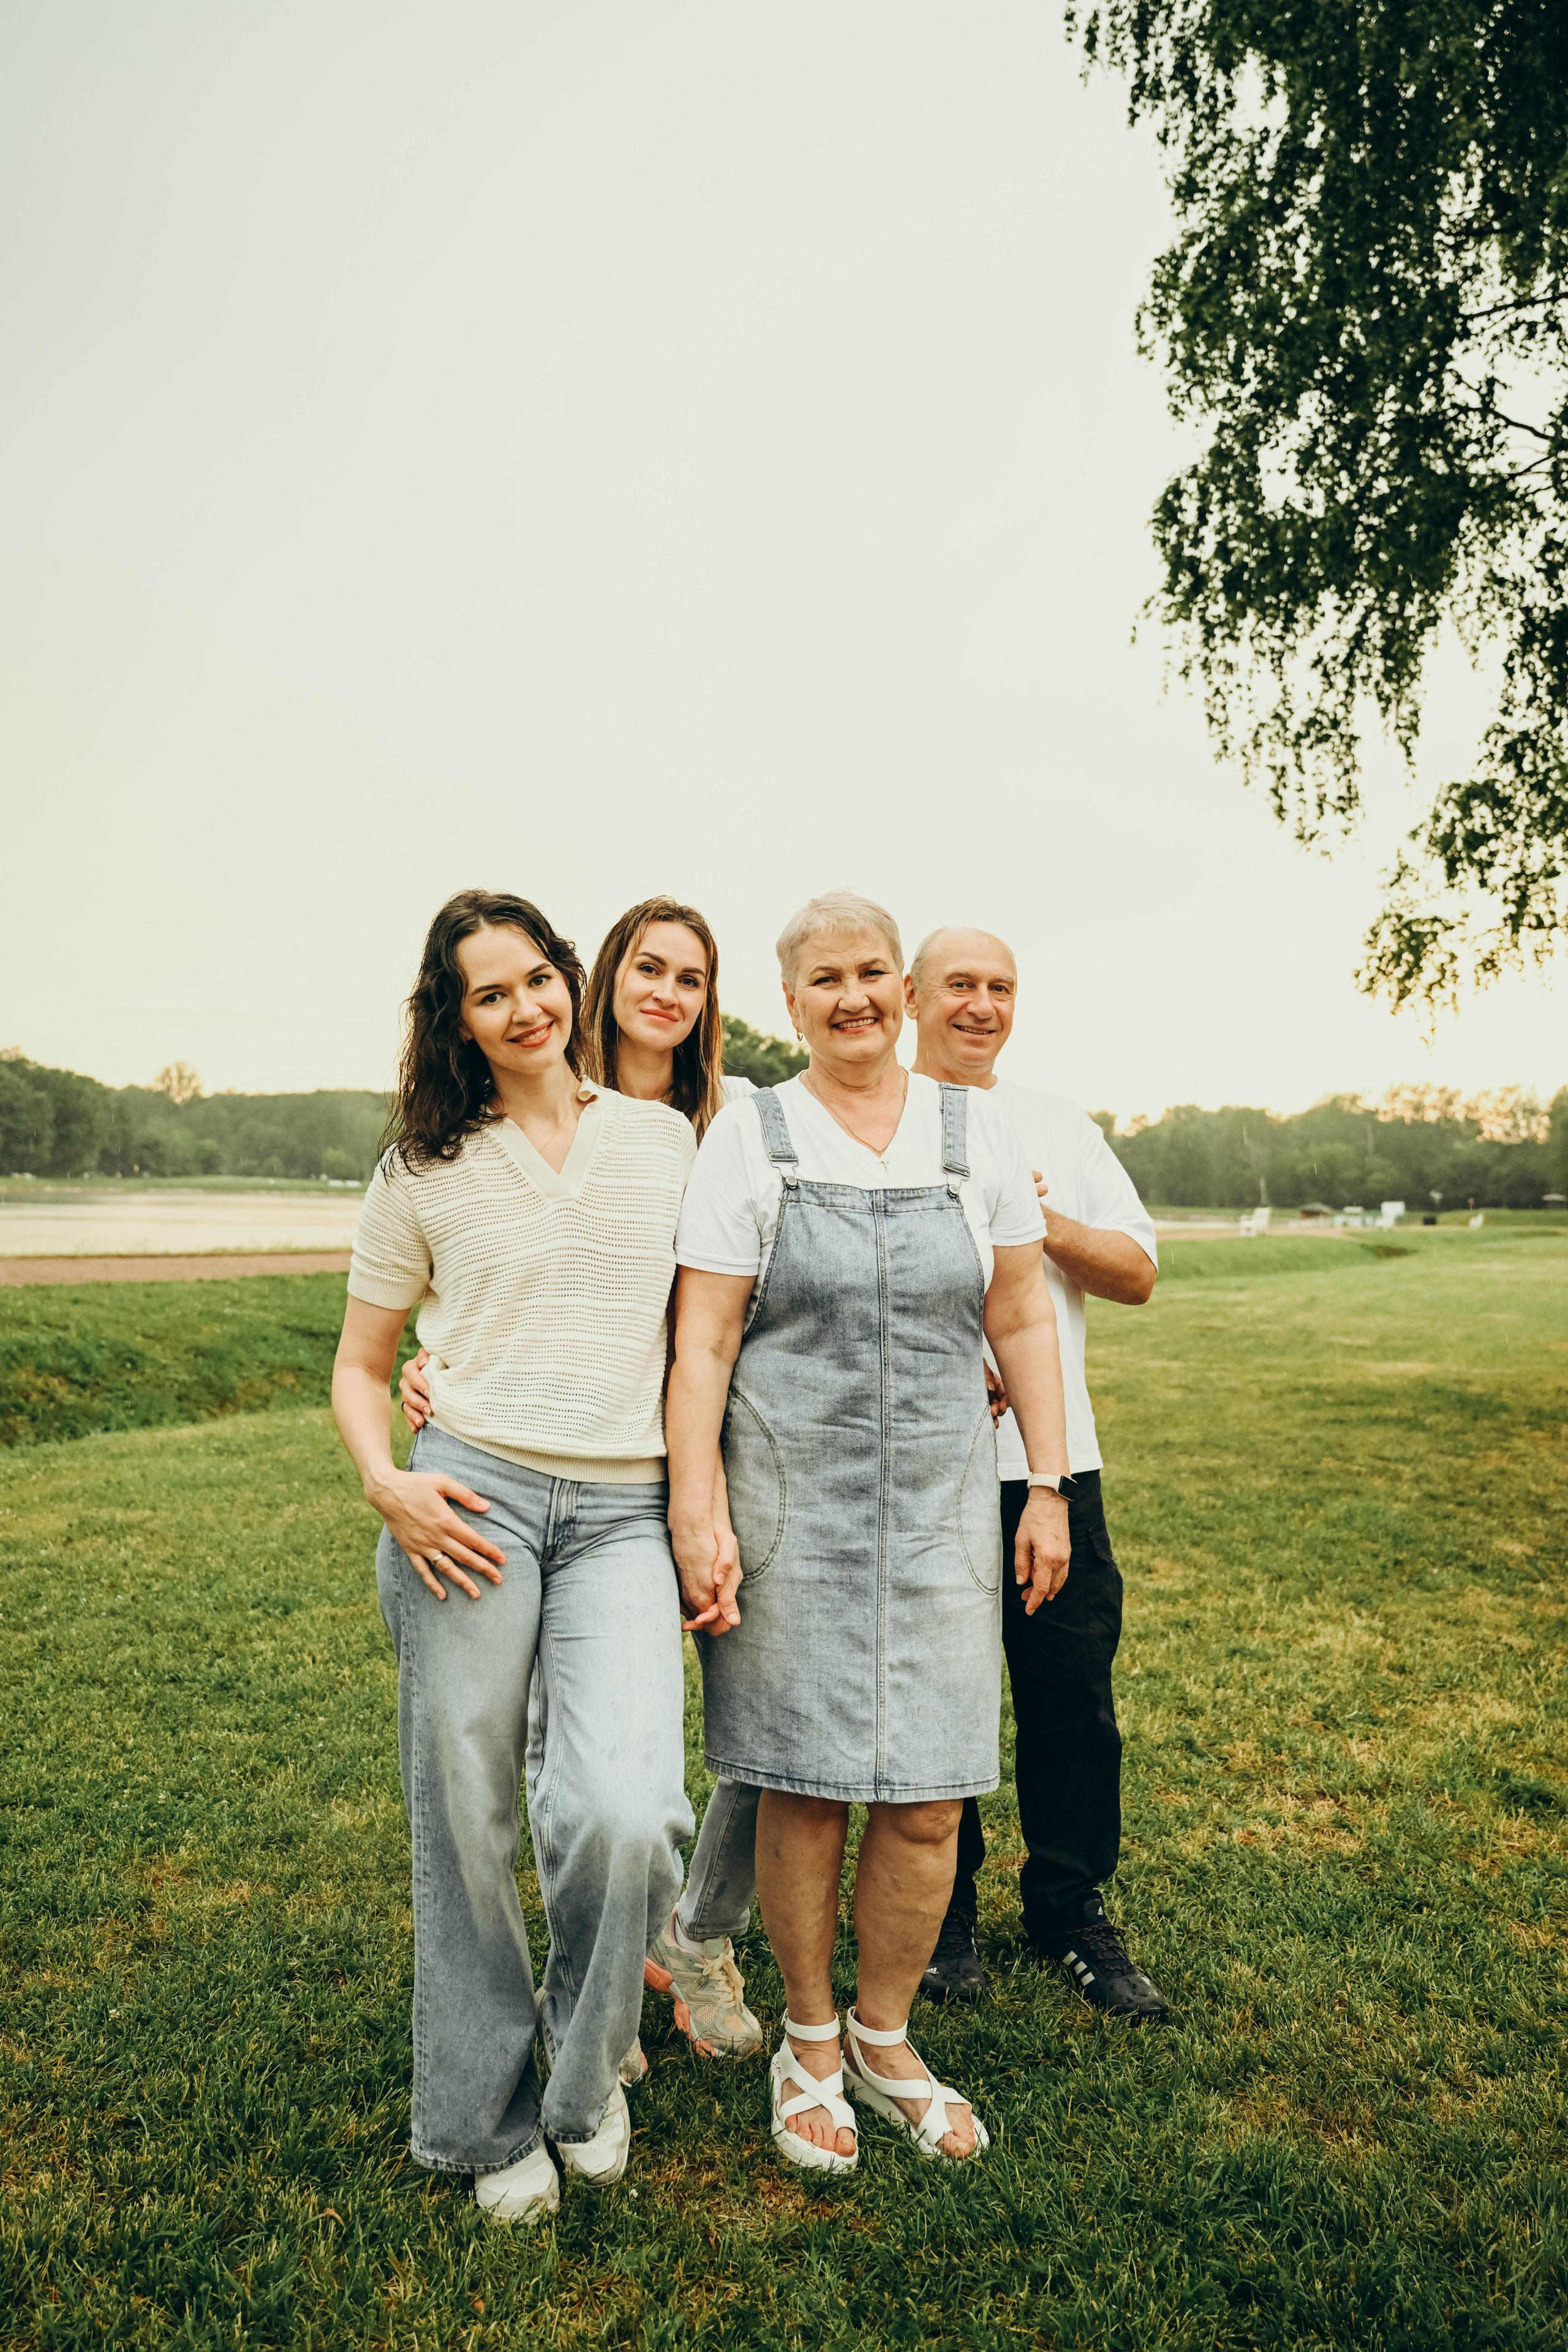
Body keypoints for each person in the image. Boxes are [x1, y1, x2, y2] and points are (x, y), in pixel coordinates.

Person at [665, 891, 1072, 2172]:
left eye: (872, 972)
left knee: (929, 1797)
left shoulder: (975, 1134)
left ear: (901, 986)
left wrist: (1045, 1482)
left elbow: (1017, 1319)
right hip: (790, 1506)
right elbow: (705, 1339)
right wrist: (697, 1503)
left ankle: (885, 2037)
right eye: (823, 979)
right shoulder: (751, 1133)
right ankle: (805, 2042)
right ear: (788, 1005)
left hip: (945, 1508)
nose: (852, 997)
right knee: (803, 1781)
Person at [331, 888, 706, 2230]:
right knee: (468, 1820)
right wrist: (388, 1483)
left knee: (625, 1806)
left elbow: (729, 1313)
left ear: (566, 979)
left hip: (622, 1514)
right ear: (461, 1022)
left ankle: (588, 2066)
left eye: (535, 978)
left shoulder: (663, 1140)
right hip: (467, 1509)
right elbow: (363, 1364)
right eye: (488, 994)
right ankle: (479, 2124)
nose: (524, 1007)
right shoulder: (421, 1171)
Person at [399, 895, 766, 2064]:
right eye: (646, 969)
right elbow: (476, 1263)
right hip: (562, 1456)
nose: (666, 993)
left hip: (707, 1432)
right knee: (573, 1743)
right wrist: (436, 1366)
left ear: (712, 1003)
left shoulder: (727, 1121)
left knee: (725, 1722)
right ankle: (594, 1985)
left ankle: (690, 1935)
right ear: (599, 979)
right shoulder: (528, 1103)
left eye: (692, 979)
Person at [907, 927, 1168, 2020]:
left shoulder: (1058, 1122)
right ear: (912, 995)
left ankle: (1071, 1909)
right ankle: (941, 1909)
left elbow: (1139, 1271)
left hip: (1053, 1465)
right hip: (918, 1469)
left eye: (999, 987)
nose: (980, 1004)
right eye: (958, 985)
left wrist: (1040, 1217)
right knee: (935, 1696)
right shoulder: (872, 1119)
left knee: (1070, 1697)